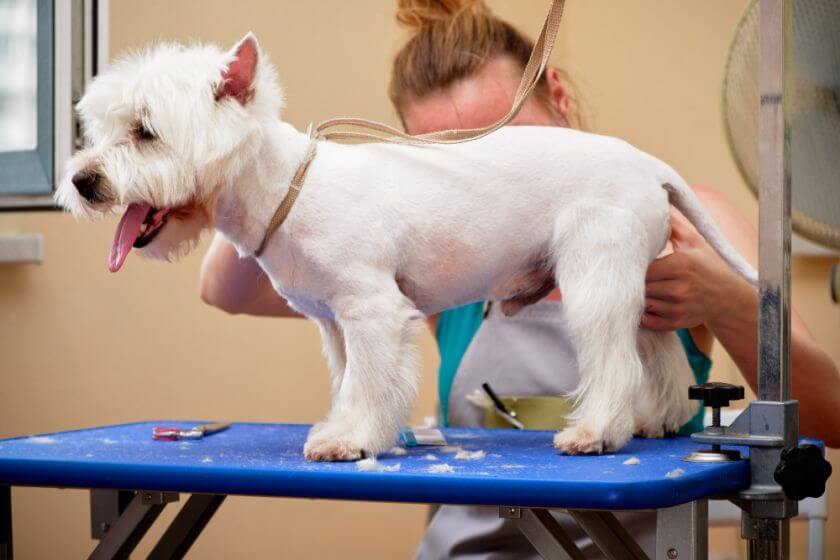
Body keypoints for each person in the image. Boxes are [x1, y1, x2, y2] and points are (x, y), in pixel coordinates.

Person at [200, 0, 840, 557]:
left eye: (498, 135)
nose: (481, 171)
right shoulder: (433, 249)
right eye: (448, 155)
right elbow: (222, 291)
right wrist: (244, 160)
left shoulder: (677, 215)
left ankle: (615, 407)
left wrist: (729, 299)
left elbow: (831, 418)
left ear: (556, 94)